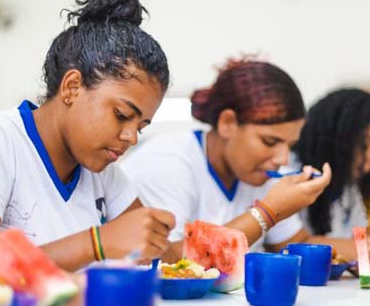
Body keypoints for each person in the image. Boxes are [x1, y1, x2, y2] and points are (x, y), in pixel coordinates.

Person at [0, 0, 175, 272]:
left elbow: (166, 258)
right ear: (72, 87)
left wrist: (158, 236)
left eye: (142, 126)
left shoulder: (105, 172)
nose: (131, 137)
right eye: (122, 115)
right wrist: (96, 243)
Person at [122, 59, 332, 262]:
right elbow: (170, 262)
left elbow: (300, 242)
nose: (282, 158)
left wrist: (364, 247)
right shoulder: (167, 161)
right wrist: (268, 213)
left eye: (290, 145)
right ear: (228, 123)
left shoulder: (259, 173)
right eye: (270, 141)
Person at [268, 88, 370, 276]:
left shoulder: (347, 185)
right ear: (337, 137)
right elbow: (292, 244)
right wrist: (368, 247)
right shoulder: (291, 173)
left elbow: (360, 235)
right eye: (366, 144)